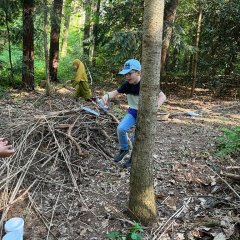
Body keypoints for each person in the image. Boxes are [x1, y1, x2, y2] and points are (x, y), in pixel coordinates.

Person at [102, 59, 166, 168]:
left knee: (136, 139)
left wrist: (154, 108)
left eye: (130, 73)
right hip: (132, 112)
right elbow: (115, 93)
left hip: (145, 115)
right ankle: (124, 149)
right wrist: (107, 95)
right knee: (121, 128)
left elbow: (162, 96)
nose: (127, 76)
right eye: (125, 74)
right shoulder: (127, 85)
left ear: (138, 73)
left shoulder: (146, 84)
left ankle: (132, 160)